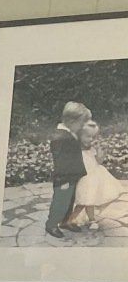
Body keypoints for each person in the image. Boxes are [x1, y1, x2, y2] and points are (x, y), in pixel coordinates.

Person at [45, 101, 90, 240]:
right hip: (64, 177)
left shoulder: (69, 133)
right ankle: (51, 224)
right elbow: (60, 161)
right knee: (60, 201)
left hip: (72, 175)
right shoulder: (60, 137)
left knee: (70, 200)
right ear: (72, 121)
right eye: (81, 122)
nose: (83, 125)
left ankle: (65, 221)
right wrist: (63, 179)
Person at [67, 119, 123, 229]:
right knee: (84, 201)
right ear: (79, 136)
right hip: (84, 178)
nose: (91, 139)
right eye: (88, 136)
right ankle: (73, 219)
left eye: (93, 137)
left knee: (89, 199)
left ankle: (90, 220)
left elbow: (98, 161)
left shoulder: (92, 149)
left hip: (93, 177)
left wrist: (101, 153)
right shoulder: (76, 150)